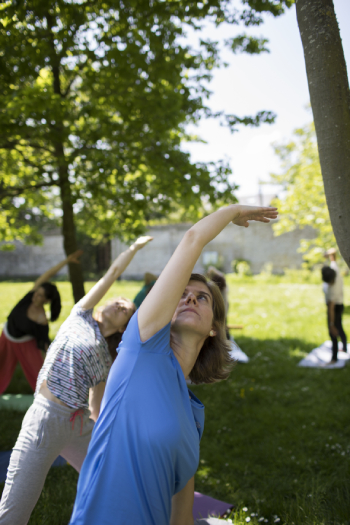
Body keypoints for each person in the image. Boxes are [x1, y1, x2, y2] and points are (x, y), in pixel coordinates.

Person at [69, 204, 278, 525]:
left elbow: (181, 512)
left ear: (213, 328)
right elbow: (193, 239)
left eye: (202, 297)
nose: (190, 298)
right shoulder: (142, 349)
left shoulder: (194, 414)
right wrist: (231, 212)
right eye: (181, 293)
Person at [0, 236, 152, 525]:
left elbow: (97, 407)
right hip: (47, 418)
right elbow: (112, 275)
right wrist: (132, 250)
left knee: (109, 477)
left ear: (124, 327)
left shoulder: (107, 361)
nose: (122, 304)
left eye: (127, 310)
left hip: (79, 423)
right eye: (118, 301)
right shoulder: (79, 316)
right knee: (17, 504)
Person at [0, 251, 82, 394]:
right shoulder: (31, 295)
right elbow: (48, 274)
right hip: (7, 335)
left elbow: (44, 344)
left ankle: (52, 399)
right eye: (36, 292)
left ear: (47, 301)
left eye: (39, 296)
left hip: (25, 343)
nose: (35, 296)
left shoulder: (41, 320)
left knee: (38, 375)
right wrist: (67, 261)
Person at [322, 248, 347, 364]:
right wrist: (327, 255)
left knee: (334, 331)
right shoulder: (335, 270)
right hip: (340, 304)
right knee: (340, 327)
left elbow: (331, 309)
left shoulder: (332, 290)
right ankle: (345, 348)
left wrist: (331, 324)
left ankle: (334, 358)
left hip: (335, 308)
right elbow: (333, 251)